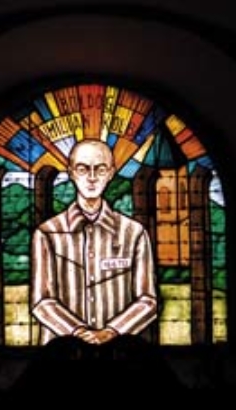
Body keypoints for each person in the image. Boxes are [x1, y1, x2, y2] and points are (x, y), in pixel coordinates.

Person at [30, 139, 159, 346]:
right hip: (62, 355)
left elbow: (148, 300)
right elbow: (42, 301)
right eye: (83, 169)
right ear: (71, 172)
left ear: (111, 173)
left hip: (121, 354)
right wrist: (79, 333)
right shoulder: (47, 233)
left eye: (100, 169)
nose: (91, 178)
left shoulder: (134, 233)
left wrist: (111, 332)